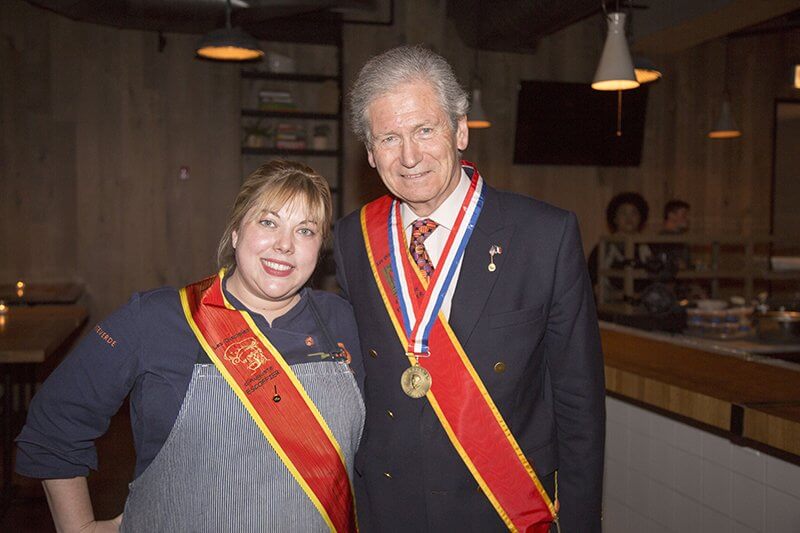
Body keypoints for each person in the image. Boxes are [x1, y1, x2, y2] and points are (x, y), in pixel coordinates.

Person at [334, 45, 605, 532]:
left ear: (460, 130)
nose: (410, 156)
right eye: (389, 138)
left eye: (424, 129)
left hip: (500, 505)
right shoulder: (352, 237)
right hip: (390, 505)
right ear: (371, 154)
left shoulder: (546, 235)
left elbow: (578, 400)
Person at [16, 160, 364, 532]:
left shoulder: (344, 321)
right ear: (235, 232)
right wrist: (78, 527)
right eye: (268, 222)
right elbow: (55, 421)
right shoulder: (157, 319)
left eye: (306, 230)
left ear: (320, 247)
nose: (284, 244)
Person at [587, 191, 654, 294]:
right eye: (623, 213)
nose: (629, 218)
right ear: (614, 218)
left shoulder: (650, 247)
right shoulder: (602, 248)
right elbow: (591, 279)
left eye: (634, 213)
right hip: (609, 305)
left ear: (641, 218)